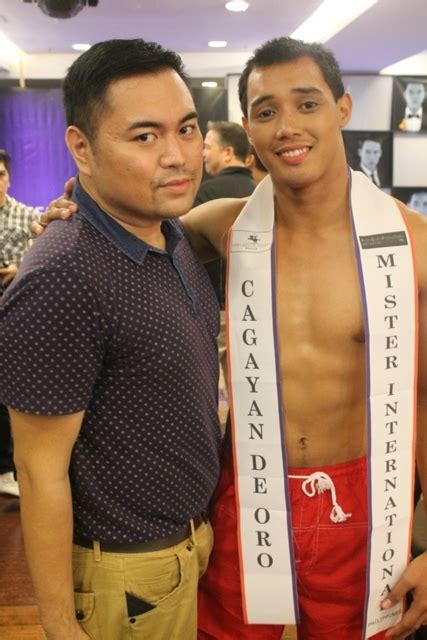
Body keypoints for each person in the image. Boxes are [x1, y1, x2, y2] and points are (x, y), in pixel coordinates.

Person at [40, 36, 427, 640]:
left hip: (360, 500)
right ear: (248, 126)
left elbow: (424, 398)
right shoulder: (222, 227)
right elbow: (130, 227)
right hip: (244, 490)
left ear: (343, 109)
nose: (287, 127)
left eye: (307, 104)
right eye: (266, 112)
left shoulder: (413, 244)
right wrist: (71, 208)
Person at [0, 39, 222, 640]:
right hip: (127, 572)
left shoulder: (169, 231)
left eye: (187, 129)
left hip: (190, 546)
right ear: (82, 148)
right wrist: (58, 624)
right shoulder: (63, 275)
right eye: (145, 137)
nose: (177, 156)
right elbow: (37, 467)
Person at [0, 148, 40, 498]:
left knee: (16, 399)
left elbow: (43, 260)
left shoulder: (30, 216)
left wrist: (19, 270)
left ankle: (12, 469)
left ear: (9, 177)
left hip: (18, 321)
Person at [194, 120, 255, 206]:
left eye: (207, 147)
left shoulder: (207, 193)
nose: (203, 154)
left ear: (227, 152)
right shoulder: (260, 193)